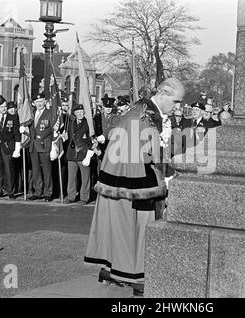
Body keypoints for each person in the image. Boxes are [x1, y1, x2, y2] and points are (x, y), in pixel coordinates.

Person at [84, 77, 185, 296]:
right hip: (132, 184)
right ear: (164, 93)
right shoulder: (139, 116)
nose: (178, 107)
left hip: (141, 178)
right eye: (176, 101)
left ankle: (118, 271)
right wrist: (158, 177)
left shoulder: (151, 115)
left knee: (133, 231)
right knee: (134, 231)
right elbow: (130, 156)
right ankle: (135, 276)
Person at [62, 103, 96, 204]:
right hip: (72, 153)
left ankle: (84, 197)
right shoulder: (71, 123)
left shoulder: (89, 123)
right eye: (78, 112)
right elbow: (68, 136)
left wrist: (89, 153)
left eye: (81, 112)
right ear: (74, 113)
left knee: (85, 177)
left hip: (84, 153)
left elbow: (92, 139)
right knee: (71, 177)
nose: (80, 114)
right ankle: (71, 196)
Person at [0, 100, 21, 199]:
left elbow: (16, 134)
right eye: (1, 107)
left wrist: (17, 148)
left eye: (5, 106)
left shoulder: (13, 118)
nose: (4, 108)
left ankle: (10, 191)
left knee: (9, 169)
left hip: (8, 147)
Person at [25, 93, 55, 202]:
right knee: (36, 170)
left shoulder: (50, 114)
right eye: (37, 102)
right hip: (33, 146)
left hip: (44, 145)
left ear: (45, 102)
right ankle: (38, 191)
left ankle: (48, 192)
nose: (39, 104)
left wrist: (53, 145)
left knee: (47, 170)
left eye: (41, 101)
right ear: (34, 103)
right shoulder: (31, 114)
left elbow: (52, 130)